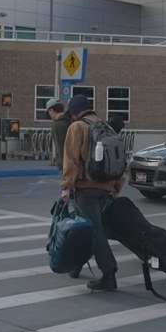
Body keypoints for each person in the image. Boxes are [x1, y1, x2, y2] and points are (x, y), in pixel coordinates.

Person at [60, 94, 123, 291]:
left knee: (94, 231)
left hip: (85, 188)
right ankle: (76, 266)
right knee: (88, 228)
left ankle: (109, 273)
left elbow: (71, 159)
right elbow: (120, 160)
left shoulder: (77, 127)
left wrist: (66, 186)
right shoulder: (107, 127)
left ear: (75, 112)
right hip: (105, 187)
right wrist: (116, 187)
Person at [46, 98, 70, 171]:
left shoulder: (58, 125)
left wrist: (62, 165)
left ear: (51, 110)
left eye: (48, 112)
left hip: (65, 165)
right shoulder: (69, 121)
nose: (49, 115)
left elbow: (61, 147)